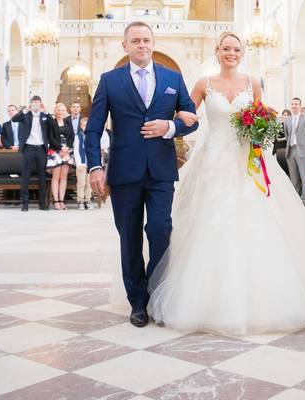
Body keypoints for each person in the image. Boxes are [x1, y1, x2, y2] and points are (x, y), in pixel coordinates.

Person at [148, 32, 305, 335]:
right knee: (210, 221)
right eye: (226, 49)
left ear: (242, 53)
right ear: (217, 52)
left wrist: (261, 127)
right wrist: (170, 122)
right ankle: (206, 300)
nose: (231, 53)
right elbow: (187, 114)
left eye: (236, 49)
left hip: (248, 160)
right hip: (214, 160)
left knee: (260, 219)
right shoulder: (204, 84)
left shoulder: (252, 82)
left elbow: (261, 116)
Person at [84, 22, 199, 327]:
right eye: (135, 41)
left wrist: (171, 126)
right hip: (124, 170)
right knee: (130, 238)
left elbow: (192, 118)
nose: (142, 45)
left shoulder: (173, 78)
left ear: (153, 42)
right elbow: (93, 128)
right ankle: (137, 302)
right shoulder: (110, 80)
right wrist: (95, 166)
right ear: (125, 46)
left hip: (161, 169)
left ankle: (157, 294)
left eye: (146, 40)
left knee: (161, 229)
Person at [12, 96, 58, 211]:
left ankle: (42, 203)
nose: (36, 105)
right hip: (28, 148)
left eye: (38, 103)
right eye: (34, 103)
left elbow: (53, 126)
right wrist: (26, 109)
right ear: (31, 104)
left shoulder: (44, 116)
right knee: (25, 176)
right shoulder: (25, 115)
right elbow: (14, 119)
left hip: (41, 149)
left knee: (42, 177)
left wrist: (46, 111)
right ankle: (25, 203)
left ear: (41, 104)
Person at [284, 98, 305, 203]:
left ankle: (304, 198)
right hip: (291, 150)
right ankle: (296, 199)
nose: (294, 106)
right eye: (292, 104)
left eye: (296, 104)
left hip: (303, 150)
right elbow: (286, 135)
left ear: (300, 106)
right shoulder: (287, 120)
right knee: (293, 176)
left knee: (303, 175)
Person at [47, 102, 73, 210]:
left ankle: (62, 200)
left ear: (65, 111)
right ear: (55, 111)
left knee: (64, 177)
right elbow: (50, 137)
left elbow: (72, 137)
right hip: (55, 151)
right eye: (59, 110)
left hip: (67, 152)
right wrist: (60, 148)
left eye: (63, 110)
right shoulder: (52, 122)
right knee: (56, 177)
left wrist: (67, 148)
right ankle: (56, 201)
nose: (61, 112)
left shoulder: (68, 122)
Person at [75, 116, 91, 209]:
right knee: (81, 183)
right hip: (81, 164)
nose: (86, 126)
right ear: (81, 126)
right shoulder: (78, 137)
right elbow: (76, 151)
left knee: (88, 184)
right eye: (84, 125)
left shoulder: (91, 136)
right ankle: (80, 200)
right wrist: (79, 164)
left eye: (87, 125)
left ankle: (88, 200)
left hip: (89, 164)